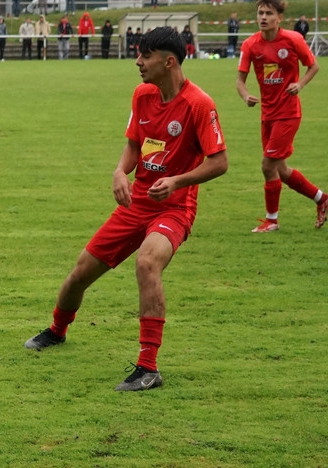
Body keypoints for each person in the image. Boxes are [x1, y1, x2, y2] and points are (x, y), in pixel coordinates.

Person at [24, 27, 228, 392]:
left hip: (174, 208)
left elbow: (220, 162)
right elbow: (135, 145)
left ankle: (148, 367)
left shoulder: (199, 104)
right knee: (80, 273)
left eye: (145, 56)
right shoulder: (142, 95)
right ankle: (57, 330)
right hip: (136, 204)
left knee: (147, 263)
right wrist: (120, 171)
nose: (138, 62)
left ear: (169, 62)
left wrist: (177, 181)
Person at [236, 0, 328, 233]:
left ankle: (272, 220)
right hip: (267, 115)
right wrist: (246, 95)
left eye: (269, 13)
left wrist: (299, 84)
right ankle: (322, 199)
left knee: (267, 166)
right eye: (260, 13)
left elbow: (313, 66)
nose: (263, 17)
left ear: (279, 17)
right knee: (280, 169)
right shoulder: (250, 45)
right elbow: (240, 80)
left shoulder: (293, 40)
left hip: (288, 113)